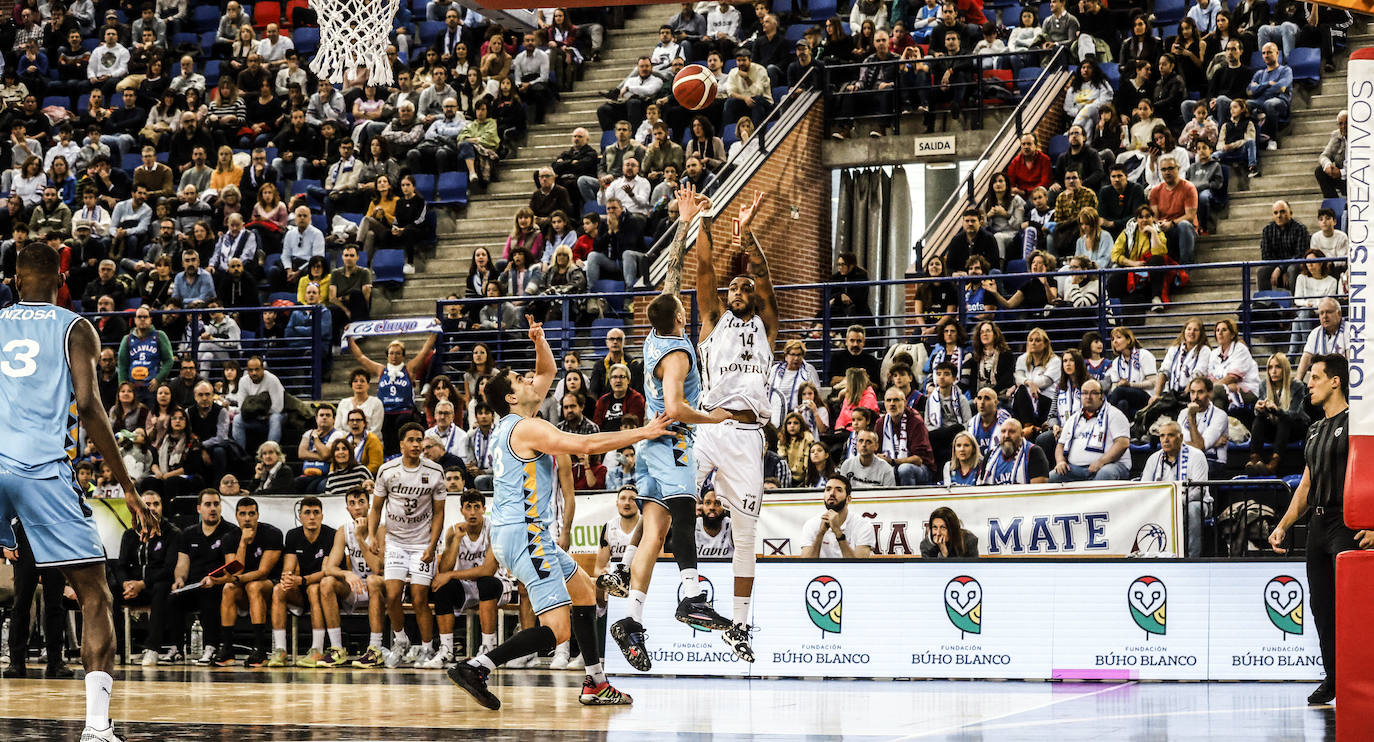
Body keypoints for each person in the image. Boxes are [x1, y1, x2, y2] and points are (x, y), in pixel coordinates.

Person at [447, 321, 668, 710]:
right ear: (513, 398)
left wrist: (541, 341)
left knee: (584, 592)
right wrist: (642, 433)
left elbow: (548, 371)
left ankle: (596, 683)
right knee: (558, 630)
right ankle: (478, 666)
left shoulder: (508, 422)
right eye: (520, 379)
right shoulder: (529, 428)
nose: (532, 378)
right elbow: (586, 443)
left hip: (520, 532)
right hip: (525, 534)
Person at [0, 243, 155, 740]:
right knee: (94, 595)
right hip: (42, 468)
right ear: (61, 277)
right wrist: (127, 485)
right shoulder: (74, 327)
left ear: (14, 279)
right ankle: (95, 726)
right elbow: (88, 404)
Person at [1268, 354, 1353, 706]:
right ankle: (1332, 679)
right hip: (1316, 525)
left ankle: (1358, 679)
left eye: (1316, 377)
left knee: (1352, 607)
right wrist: (1283, 525)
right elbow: (1305, 486)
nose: (1310, 384)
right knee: (1321, 608)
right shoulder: (1315, 428)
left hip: (1347, 522)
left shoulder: (1359, 422)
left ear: (1336, 381)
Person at [368, 423, 446, 668]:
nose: (415, 444)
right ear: (401, 444)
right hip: (396, 542)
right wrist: (371, 535)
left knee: (419, 597)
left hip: (422, 542)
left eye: (419, 440)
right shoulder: (387, 470)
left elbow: (439, 513)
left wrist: (432, 546)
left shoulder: (435, 471)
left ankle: (425, 648)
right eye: (411, 440)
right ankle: (400, 640)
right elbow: (376, 508)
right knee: (391, 597)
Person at [429, 489, 513, 669]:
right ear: (462, 510)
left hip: (496, 585)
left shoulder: (493, 529)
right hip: (467, 587)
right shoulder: (453, 531)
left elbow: (488, 570)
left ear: (484, 509)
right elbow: (444, 570)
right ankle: (446, 650)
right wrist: (457, 540)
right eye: (468, 507)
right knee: (441, 587)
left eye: (477, 507)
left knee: (486, 583)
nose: (473, 512)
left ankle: (487, 648)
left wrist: (451, 575)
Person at [318, 486, 387, 668]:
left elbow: (378, 568)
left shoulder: (381, 529)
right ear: (347, 508)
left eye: (361, 502)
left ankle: (375, 649)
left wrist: (360, 538)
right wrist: (346, 573)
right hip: (358, 586)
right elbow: (330, 568)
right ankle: (337, 649)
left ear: (369, 505)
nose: (357, 507)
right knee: (327, 583)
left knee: (372, 580)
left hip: (383, 586)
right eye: (352, 503)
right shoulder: (343, 530)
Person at [211, 496, 283, 667]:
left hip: (270, 585)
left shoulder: (272, 533)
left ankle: (260, 649)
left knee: (254, 585)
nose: (247, 518)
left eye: (251, 513)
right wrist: (242, 543)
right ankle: (227, 648)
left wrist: (236, 578)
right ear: (236, 516)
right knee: (228, 588)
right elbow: (237, 569)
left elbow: (263, 571)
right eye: (243, 514)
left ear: (258, 515)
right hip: (242, 584)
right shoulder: (230, 537)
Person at [267, 496, 336, 667]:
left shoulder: (331, 534)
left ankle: (317, 649)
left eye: (315, 513)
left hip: (322, 589)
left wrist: (302, 580)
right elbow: (289, 566)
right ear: (300, 516)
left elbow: (326, 571)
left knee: (314, 588)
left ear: (322, 515)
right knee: (278, 589)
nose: (312, 517)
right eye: (307, 513)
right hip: (299, 588)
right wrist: (287, 578)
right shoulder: (292, 535)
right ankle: (281, 650)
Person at [116, 491, 180, 665]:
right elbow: (121, 565)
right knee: (109, 590)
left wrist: (142, 584)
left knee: (163, 586)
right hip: (133, 588)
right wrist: (126, 584)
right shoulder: (129, 535)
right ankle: (117, 648)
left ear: (162, 507)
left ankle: (153, 648)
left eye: (156, 504)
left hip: (155, 586)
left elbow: (169, 568)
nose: (152, 508)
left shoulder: (173, 533)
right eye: (147, 505)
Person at [347, 334, 439, 454]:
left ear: (403, 355)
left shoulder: (409, 369)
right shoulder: (381, 370)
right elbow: (360, 357)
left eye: (398, 353)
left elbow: (424, 351)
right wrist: (350, 339)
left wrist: (434, 332)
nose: (394, 356)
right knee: (385, 434)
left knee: (403, 429)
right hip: (385, 413)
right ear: (387, 355)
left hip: (404, 412)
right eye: (391, 353)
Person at [1142, 420, 1211, 557]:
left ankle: (1193, 559)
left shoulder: (1196, 456)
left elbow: (1198, 491)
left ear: (1181, 438)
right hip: (1162, 505)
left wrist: (1175, 504)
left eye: (1170, 435)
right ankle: (1149, 556)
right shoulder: (1153, 459)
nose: (1165, 440)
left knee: (1193, 509)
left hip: (1195, 503)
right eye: (1162, 436)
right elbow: (1144, 488)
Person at [1050, 379, 1132, 482]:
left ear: (1102, 396)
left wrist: (1101, 462)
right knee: (1051, 477)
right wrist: (1060, 461)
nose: (1088, 397)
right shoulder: (1073, 418)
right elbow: (1060, 445)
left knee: (1104, 474)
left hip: (1111, 465)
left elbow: (1122, 443)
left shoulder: (1115, 415)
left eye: (1093, 393)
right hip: (1077, 469)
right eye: (1084, 393)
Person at [1246, 353, 1307, 476]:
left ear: (1284, 369)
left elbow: (1295, 414)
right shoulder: (1263, 385)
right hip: (1275, 429)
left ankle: (1274, 463)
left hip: (1295, 429)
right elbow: (1262, 411)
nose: (1273, 371)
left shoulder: (1297, 385)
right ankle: (1254, 460)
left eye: (1277, 367)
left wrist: (1277, 410)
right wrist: (1259, 409)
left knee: (1284, 419)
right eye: (1270, 367)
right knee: (1259, 418)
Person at [799, 475, 875, 558]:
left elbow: (858, 567)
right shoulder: (811, 524)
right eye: (828, 489)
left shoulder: (863, 525)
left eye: (838, 490)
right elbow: (807, 565)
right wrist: (820, 534)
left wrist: (838, 532)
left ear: (848, 499)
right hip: (822, 571)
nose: (831, 493)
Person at [875, 386, 934, 484]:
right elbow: (876, 452)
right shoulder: (880, 423)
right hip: (892, 466)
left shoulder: (915, 421)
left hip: (921, 469)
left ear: (905, 403)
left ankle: (909, 499)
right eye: (888, 400)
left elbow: (918, 460)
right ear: (884, 404)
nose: (892, 404)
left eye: (896, 400)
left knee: (904, 469)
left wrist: (893, 461)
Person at [977, 419, 1050, 485]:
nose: (1006, 435)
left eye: (1012, 432)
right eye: (1003, 431)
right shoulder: (990, 456)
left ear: (1021, 435)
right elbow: (981, 487)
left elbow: (1038, 492)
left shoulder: (1034, 452)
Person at [1296, 297, 1346, 382]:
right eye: (1321, 313)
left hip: (1342, 380)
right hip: (1321, 381)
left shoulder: (1349, 330)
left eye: (1328, 312)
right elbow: (1306, 357)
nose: (1325, 316)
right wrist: (1298, 381)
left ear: (1339, 314)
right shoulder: (1315, 333)